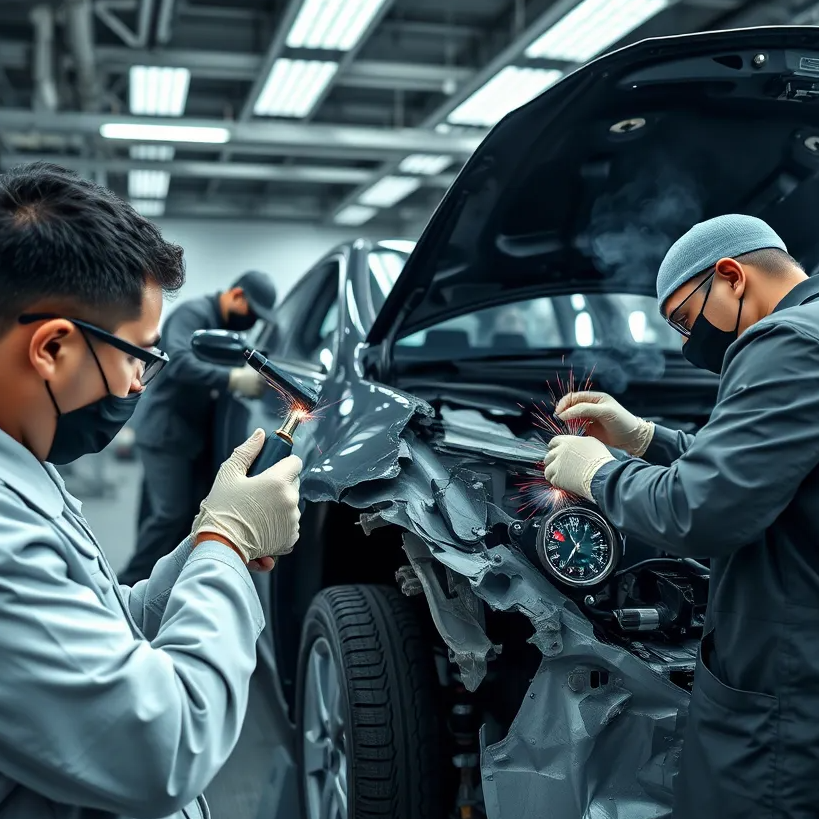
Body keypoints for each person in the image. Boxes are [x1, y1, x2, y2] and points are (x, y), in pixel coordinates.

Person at [0, 162, 302, 819]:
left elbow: (98, 627)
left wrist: (202, 546)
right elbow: (167, 745)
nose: (141, 382)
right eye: (138, 354)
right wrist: (226, 541)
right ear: (52, 347)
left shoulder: (28, 467)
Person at [541, 214, 819, 818]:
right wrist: (645, 439)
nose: (689, 345)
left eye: (687, 321)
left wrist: (598, 473)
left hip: (787, 707)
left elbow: (699, 511)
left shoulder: (786, 343)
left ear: (730, 276)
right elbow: (767, 468)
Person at [119, 269, 277, 584]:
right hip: (166, 434)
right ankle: (125, 588)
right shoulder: (194, 315)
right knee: (170, 515)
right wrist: (231, 378)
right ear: (236, 296)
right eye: (253, 312)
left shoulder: (222, 327)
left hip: (183, 437)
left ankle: (149, 584)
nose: (253, 322)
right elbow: (177, 362)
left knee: (161, 515)